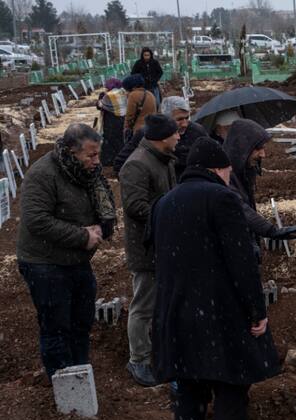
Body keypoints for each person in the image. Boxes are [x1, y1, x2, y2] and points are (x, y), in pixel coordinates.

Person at [151, 137, 282, 420]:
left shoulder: (164, 203)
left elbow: (159, 260)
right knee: (231, 394)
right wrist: (257, 311)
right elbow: (242, 262)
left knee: (188, 400)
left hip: (176, 318)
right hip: (218, 317)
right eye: (227, 171)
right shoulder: (222, 198)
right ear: (218, 169)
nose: (229, 178)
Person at [17, 124, 116, 379]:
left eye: (98, 154)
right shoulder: (43, 174)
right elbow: (37, 220)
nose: (97, 161)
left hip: (75, 259)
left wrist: (102, 225)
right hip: (44, 262)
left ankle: (80, 371)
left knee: (81, 320)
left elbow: (99, 201)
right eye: (91, 155)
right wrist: (83, 236)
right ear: (72, 151)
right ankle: (63, 380)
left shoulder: (86, 173)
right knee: (56, 325)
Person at [119, 115, 179, 387]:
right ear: (162, 137)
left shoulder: (164, 160)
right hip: (146, 248)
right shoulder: (137, 165)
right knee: (143, 305)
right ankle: (139, 360)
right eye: (174, 133)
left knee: (160, 303)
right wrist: (169, 214)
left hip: (163, 244)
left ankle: (158, 352)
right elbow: (135, 206)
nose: (178, 137)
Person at [223, 119, 296, 260]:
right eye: (258, 148)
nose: (263, 154)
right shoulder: (226, 175)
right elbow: (240, 207)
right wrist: (270, 231)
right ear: (243, 148)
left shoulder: (244, 171)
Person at [114, 96, 208, 178]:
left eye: (187, 118)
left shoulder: (197, 131)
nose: (185, 124)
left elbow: (210, 157)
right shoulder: (148, 133)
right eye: (179, 119)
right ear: (165, 118)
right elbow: (121, 162)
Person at [97, 78, 128, 166]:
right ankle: (122, 159)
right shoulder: (123, 92)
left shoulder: (109, 95)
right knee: (120, 139)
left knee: (110, 140)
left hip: (111, 121)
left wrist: (101, 98)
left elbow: (100, 105)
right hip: (123, 119)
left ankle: (110, 161)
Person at [123, 74, 157, 141]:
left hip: (139, 131)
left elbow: (130, 116)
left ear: (131, 87)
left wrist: (126, 128)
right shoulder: (150, 94)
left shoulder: (133, 95)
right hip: (152, 128)